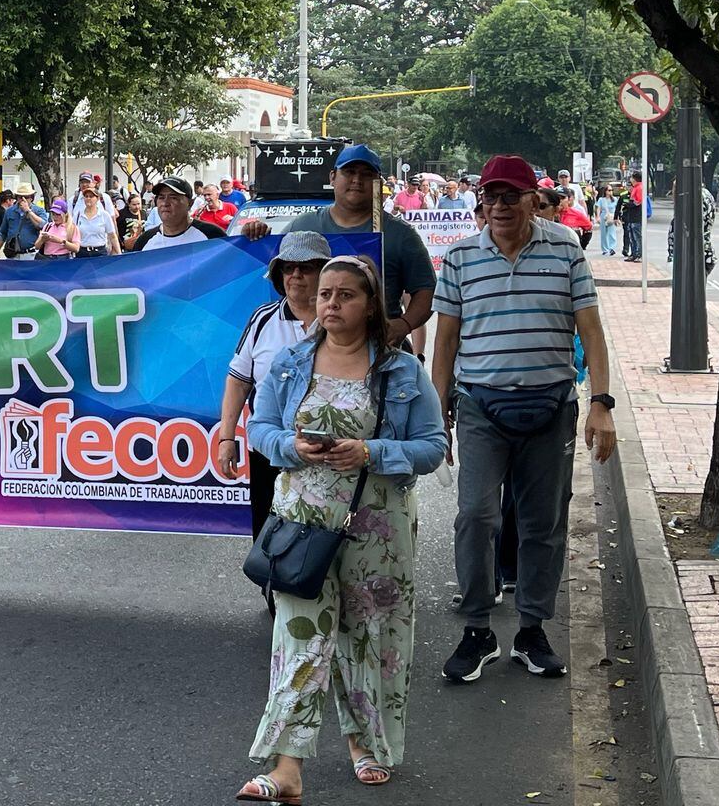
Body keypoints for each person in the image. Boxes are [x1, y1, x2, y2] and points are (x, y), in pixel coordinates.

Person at [238, 255, 445, 802]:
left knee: (371, 638)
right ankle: (287, 768)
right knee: (299, 639)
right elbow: (260, 429)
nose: (330, 303)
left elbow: (432, 447)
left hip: (377, 531)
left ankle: (366, 744)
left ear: (371, 304)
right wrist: (290, 445)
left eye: (345, 294)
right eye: (325, 294)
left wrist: (371, 452)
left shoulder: (401, 371)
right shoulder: (289, 363)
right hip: (301, 526)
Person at [433, 154, 615, 684]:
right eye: (490, 196)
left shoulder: (566, 249)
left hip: (550, 408)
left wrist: (601, 403)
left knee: (543, 524)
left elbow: (591, 330)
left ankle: (532, 630)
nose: (499, 206)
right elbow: (445, 342)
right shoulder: (461, 258)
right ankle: (477, 629)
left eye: (510, 195)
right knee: (476, 517)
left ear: (533, 199)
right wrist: (438, 412)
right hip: (480, 408)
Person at [217, 230, 330, 539]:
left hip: (329, 454)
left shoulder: (341, 321)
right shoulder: (262, 320)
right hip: (269, 451)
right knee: (270, 545)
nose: (296, 275)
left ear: (325, 272)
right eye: (288, 267)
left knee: (326, 546)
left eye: (306, 267)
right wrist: (226, 439)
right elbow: (238, 381)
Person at [284, 145, 436, 354]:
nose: (357, 180)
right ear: (332, 177)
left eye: (366, 174)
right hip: (310, 353)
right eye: (349, 172)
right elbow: (269, 274)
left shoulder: (400, 234)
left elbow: (427, 290)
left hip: (380, 355)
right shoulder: (302, 227)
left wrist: (404, 324)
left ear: (378, 183)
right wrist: (255, 236)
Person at [129, 177, 229, 250]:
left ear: (190, 203)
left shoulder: (212, 235)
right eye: (161, 197)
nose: (165, 203)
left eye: (173, 197)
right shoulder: (144, 241)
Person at [0, 183, 46, 259]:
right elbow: (2, 233)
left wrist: (28, 211)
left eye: (26, 197)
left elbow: (43, 225)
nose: (23, 200)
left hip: (31, 254)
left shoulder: (38, 211)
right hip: (13, 254)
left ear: (31, 198)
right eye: (20, 197)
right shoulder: (9, 211)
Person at [71, 181, 120, 256]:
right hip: (82, 252)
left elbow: (112, 236)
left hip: (100, 252)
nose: (88, 198)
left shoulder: (104, 215)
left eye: (91, 196)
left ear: (97, 198)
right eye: (86, 196)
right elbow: (72, 234)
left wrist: (119, 253)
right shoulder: (78, 215)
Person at [621, 173, 645, 262]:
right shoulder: (635, 187)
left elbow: (638, 202)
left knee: (637, 237)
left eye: (631, 177)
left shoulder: (639, 188)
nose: (630, 179)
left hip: (636, 216)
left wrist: (628, 204)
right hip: (631, 216)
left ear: (634, 179)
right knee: (632, 236)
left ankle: (639, 254)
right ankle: (633, 254)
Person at [594, 185, 618, 256]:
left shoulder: (615, 199)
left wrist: (617, 218)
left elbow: (617, 208)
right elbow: (598, 208)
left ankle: (611, 248)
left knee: (612, 233)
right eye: (609, 190)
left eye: (612, 190)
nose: (611, 192)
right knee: (604, 234)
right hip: (604, 217)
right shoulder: (601, 199)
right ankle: (605, 249)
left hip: (612, 217)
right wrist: (597, 217)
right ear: (605, 191)